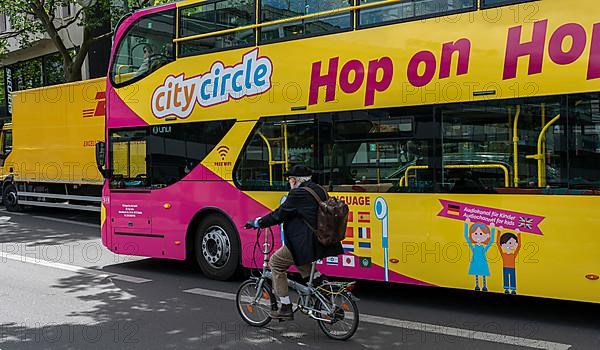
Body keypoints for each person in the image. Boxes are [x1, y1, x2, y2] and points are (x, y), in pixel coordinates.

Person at [246, 165, 343, 320]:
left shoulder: (297, 193)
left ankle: (285, 307)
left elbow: (279, 214)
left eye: (290, 179)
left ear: (295, 180)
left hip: (307, 242)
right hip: (322, 240)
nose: (289, 182)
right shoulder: (318, 189)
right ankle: (323, 289)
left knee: (276, 262)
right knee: (300, 261)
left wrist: (257, 223)